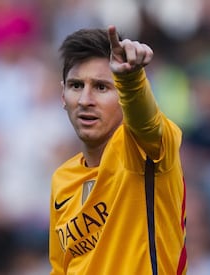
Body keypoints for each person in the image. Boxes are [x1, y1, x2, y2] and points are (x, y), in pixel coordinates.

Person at [49, 25, 187, 274]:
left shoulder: (146, 150)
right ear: (63, 95)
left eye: (101, 87)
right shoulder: (62, 179)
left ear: (123, 95)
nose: (85, 100)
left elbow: (147, 124)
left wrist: (131, 80)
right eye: (76, 86)